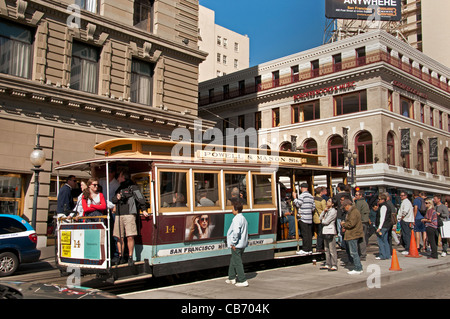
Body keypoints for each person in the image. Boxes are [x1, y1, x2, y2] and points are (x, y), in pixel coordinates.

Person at [112, 172, 149, 266]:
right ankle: (121, 257)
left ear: (123, 177)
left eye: (119, 176)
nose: (117, 178)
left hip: (129, 214)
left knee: (130, 236)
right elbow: (113, 200)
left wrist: (143, 209)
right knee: (119, 237)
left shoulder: (132, 187)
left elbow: (140, 198)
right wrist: (117, 197)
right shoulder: (119, 189)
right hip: (119, 214)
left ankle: (130, 257)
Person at [226, 201, 249, 287]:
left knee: (237, 262)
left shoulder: (236, 219)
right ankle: (231, 277)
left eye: (232, 209)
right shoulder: (243, 218)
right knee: (234, 259)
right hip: (242, 243)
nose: (231, 210)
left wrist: (233, 243)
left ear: (236, 210)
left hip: (237, 244)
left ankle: (243, 280)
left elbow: (236, 232)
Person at [340, 199, 364, 274]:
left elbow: (351, 223)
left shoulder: (353, 212)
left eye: (344, 207)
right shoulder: (353, 211)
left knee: (353, 252)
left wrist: (343, 224)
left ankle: (358, 268)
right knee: (354, 251)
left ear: (347, 205)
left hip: (353, 234)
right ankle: (357, 267)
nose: (344, 209)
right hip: (353, 233)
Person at [293, 183, 315, 255]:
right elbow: (313, 208)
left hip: (303, 217)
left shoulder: (302, 196)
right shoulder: (311, 196)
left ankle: (305, 249)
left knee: (304, 234)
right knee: (309, 234)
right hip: (309, 217)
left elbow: (298, 204)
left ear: (301, 188)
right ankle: (309, 249)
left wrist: (295, 198)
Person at [319, 197, 338, 271]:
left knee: (332, 249)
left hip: (330, 231)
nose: (327, 202)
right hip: (325, 231)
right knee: (326, 249)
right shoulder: (327, 210)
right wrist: (323, 212)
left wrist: (323, 220)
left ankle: (334, 264)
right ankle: (327, 263)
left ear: (333, 204)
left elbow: (326, 221)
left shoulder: (333, 211)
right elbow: (320, 218)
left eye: (329, 201)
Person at [334, 183, 352, 249]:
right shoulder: (348, 195)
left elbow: (335, 204)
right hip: (347, 214)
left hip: (339, 214)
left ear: (338, 188)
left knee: (340, 230)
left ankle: (342, 244)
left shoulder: (337, 196)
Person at [375, 193, 392, 260]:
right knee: (385, 240)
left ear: (383, 200)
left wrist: (379, 227)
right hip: (387, 225)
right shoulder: (387, 206)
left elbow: (382, 217)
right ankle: (387, 255)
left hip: (383, 226)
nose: (378, 200)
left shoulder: (383, 207)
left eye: (379, 199)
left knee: (380, 240)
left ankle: (382, 255)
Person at [354, 190, 369, 260]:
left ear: (361, 196)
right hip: (365, 222)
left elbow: (356, 212)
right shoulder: (365, 202)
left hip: (361, 222)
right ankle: (362, 254)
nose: (355, 196)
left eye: (357, 195)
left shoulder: (359, 203)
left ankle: (362, 254)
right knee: (363, 238)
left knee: (361, 239)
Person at [313, 187, 326, 252]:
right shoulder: (322, 200)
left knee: (319, 232)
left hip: (315, 218)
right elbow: (325, 210)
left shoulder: (313, 199)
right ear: (321, 192)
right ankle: (319, 247)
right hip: (321, 218)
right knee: (321, 234)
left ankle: (319, 246)